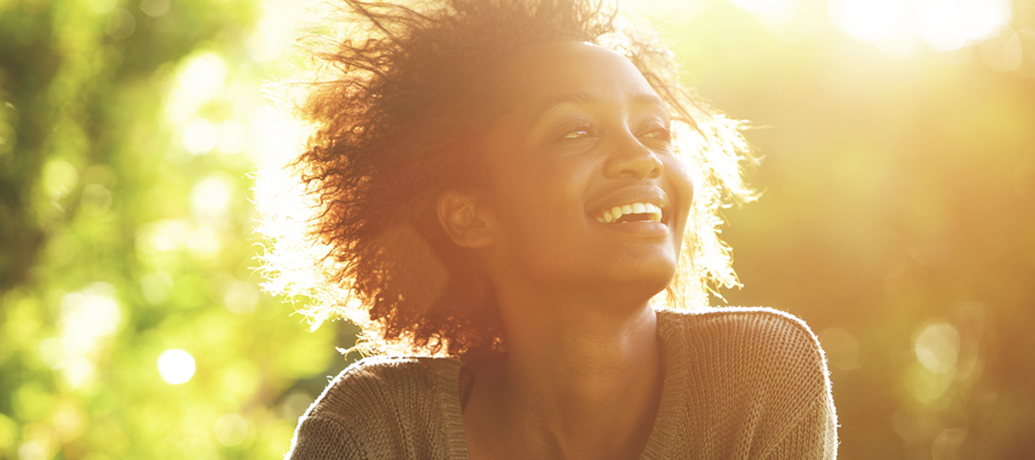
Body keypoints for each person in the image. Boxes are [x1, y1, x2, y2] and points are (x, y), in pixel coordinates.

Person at [257, 0, 838, 458]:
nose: (641, 158)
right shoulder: (377, 431)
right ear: (472, 217)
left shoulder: (759, 376)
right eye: (576, 131)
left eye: (655, 130)